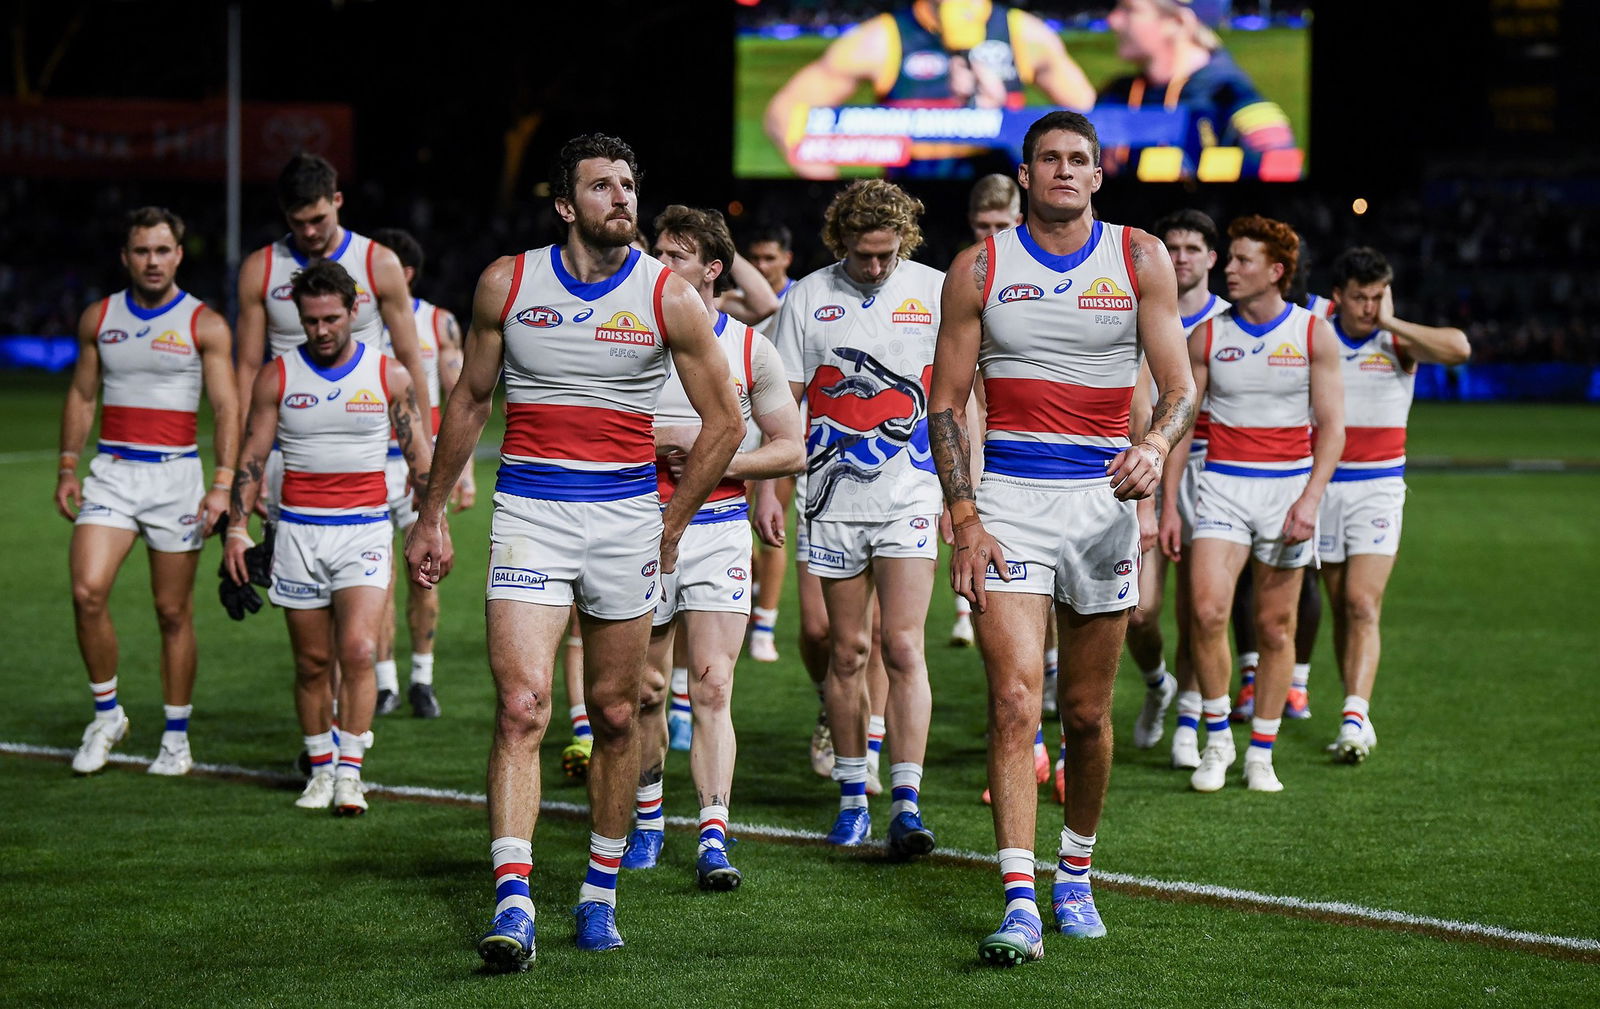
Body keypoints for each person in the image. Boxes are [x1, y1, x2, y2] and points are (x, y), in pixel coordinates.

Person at [404, 133, 743, 967]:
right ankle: (514, 899)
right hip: (530, 512)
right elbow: (472, 397)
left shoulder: (668, 295)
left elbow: (727, 421)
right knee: (523, 707)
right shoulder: (507, 282)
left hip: (627, 520)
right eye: (602, 186)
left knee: (620, 712)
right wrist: (432, 512)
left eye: (629, 183)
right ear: (565, 205)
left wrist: (672, 521)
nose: (623, 198)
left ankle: (598, 894)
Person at [929, 110, 1195, 964]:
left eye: (1080, 159)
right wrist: (965, 517)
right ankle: (1017, 897)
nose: (1065, 172)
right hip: (1008, 498)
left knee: (1085, 711)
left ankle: (1073, 871)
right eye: (1049, 159)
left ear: (1098, 174)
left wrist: (1153, 446)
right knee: (1014, 702)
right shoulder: (978, 267)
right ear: (1028, 172)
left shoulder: (1141, 257)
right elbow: (944, 402)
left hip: (1101, 501)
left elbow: (1180, 385)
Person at [624, 205, 805, 890]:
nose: (658, 265)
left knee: (713, 683)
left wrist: (714, 462)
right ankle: (644, 818)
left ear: (711, 268)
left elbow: (789, 447)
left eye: (674, 255)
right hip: (638, 526)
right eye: (657, 252)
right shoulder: (629, 340)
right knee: (644, 690)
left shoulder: (751, 347)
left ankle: (711, 833)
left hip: (718, 528)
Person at [772, 179, 945, 853]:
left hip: (910, 493)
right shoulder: (808, 297)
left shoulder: (932, 289)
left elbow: (960, 395)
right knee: (847, 650)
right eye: (863, 255)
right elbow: (784, 404)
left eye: (887, 253)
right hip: (831, 500)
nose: (876, 267)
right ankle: (851, 793)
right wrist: (770, 489)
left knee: (903, 645)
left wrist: (964, 495)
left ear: (905, 239)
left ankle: (906, 800)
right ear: (838, 240)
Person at [225, 259, 433, 815]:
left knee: (359, 650)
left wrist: (433, 526)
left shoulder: (388, 375)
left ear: (354, 312)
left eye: (331, 319)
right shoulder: (278, 376)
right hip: (296, 534)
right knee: (312, 663)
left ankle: (349, 773)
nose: (321, 330)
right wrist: (236, 531)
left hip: (363, 531)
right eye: (311, 320)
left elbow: (419, 462)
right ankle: (319, 768)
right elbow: (251, 458)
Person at [1161, 214, 1344, 795]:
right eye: (1231, 259)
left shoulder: (1313, 333)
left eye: (1242, 261)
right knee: (1207, 613)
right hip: (1222, 487)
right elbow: (1183, 426)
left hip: (1288, 490)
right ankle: (1218, 739)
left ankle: (1261, 751)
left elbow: (1335, 427)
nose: (1231, 270)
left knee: (1274, 625)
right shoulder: (1208, 336)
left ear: (1276, 272)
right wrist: (1169, 504)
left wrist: (1311, 499)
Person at [55, 207, 239, 776]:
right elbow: (84, 395)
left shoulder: (204, 323)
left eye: (162, 251)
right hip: (113, 472)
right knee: (87, 591)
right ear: (125, 257)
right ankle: (107, 714)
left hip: (176, 478)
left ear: (179, 255)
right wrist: (67, 466)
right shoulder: (100, 317)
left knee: (172, 610)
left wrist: (222, 486)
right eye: (142, 251)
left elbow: (228, 406)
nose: (152, 261)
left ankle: (176, 738)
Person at [1318, 247, 1468, 761]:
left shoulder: (1397, 339)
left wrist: (1391, 318)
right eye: (1359, 297)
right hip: (1322, 485)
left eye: (1377, 296)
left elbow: (1460, 349)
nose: (1368, 307)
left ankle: (1355, 718)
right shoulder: (1316, 329)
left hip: (1378, 485)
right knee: (1340, 607)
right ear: (1338, 296)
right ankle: (1351, 707)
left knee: (1362, 602)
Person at [235, 154, 431, 501]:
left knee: (379, 548)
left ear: (337, 200)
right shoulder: (260, 268)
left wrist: (426, 460)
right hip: (288, 447)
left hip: (365, 444)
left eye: (317, 219)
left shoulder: (377, 262)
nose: (309, 232)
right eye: (298, 222)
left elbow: (410, 361)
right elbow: (248, 367)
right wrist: (247, 460)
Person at [763, 1, 1095, 178]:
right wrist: (836, 197)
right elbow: (784, 114)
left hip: (1004, 204)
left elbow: (1094, 125)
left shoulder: (1024, 34)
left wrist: (1001, 118)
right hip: (913, 206)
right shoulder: (882, 39)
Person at [1136, 209, 1228, 768]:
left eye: (1192, 247)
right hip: (1145, 470)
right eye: (1171, 247)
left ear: (1211, 257)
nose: (1181, 257)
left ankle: (1190, 719)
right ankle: (1157, 684)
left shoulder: (1227, 321)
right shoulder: (1144, 310)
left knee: (1200, 612)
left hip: (1210, 474)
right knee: (1141, 612)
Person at [367, 228, 472, 719]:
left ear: (403, 272)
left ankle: (421, 680)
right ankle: (384, 683)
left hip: (418, 469)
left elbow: (459, 400)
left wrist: (464, 472)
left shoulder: (439, 323)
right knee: (376, 580)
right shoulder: (358, 320)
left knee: (423, 578)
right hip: (368, 465)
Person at [1098, 0, 1296, 177]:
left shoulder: (1233, 102)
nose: (1112, 20)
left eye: (1130, 9)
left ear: (1177, 21)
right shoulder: (1117, 95)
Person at [736, 223, 798, 665]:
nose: (762, 265)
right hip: (741, 424)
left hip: (785, 425)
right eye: (755, 258)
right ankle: (747, 600)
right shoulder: (740, 302)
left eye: (770, 258)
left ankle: (764, 624)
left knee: (771, 522)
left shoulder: (803, 298)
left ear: (787, 259)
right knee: (737, 525)